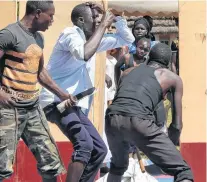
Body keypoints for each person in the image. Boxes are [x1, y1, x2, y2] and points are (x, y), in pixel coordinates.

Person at [40, 2, 135, 182]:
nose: (99, 23)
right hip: (55, 101)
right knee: (84, 145)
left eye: (100, 20)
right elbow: (82, 54)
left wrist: (116, 18)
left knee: (99, 149)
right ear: (81, 20)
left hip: (72, 105)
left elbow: (127, 40)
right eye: (95, 19)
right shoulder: (71, 34)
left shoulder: (92, 41)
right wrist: (104, 26)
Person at [0, 1, 73, 181]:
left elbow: (39, 72)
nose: (52, 20)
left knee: (51, 162)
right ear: (38, 13)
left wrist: (62, 93)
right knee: (2, 167)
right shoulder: (9, 34)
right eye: (50, 16)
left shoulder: (38, 38)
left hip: (33, 108)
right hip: (10, 109)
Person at [105, 43, 194, 182]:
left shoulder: (128, 72)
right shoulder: (172, 78)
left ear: (149, 57)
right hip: (139, 120)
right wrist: (169, 147)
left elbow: (124, 100)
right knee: (183, 171)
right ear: (168, 62)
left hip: (111, 119)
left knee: (117, 167)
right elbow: (176, 126)